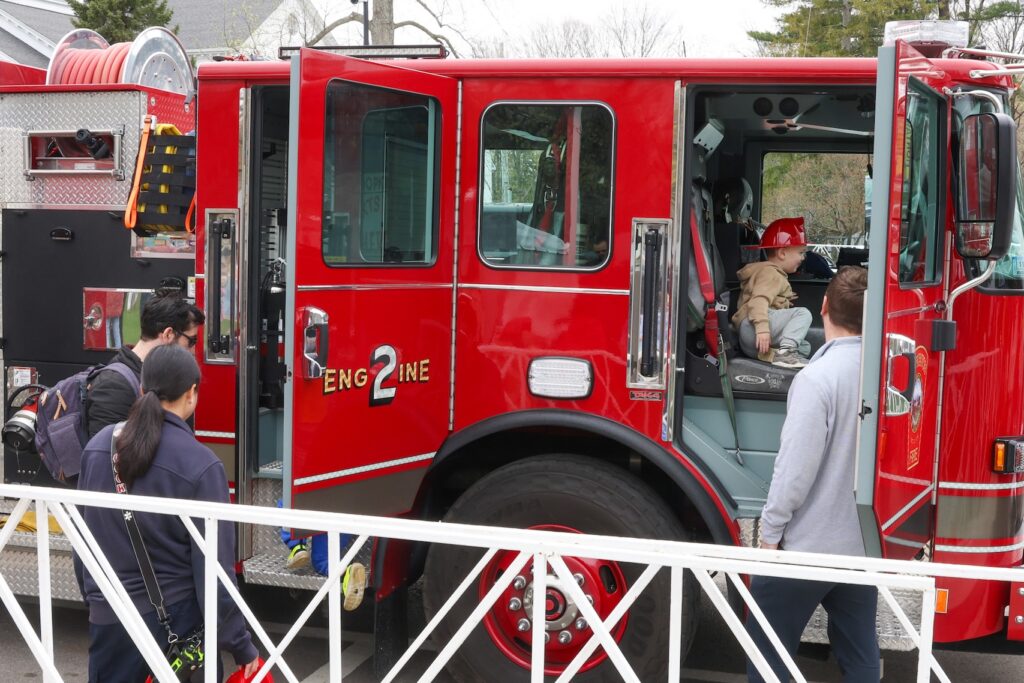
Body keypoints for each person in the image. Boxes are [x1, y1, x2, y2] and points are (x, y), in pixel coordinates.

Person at [76, 345, 259, 682]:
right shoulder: (201, 465)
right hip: (175, 622)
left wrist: (94, 597)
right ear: (191, 393)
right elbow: (213, 570)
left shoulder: (100, 444)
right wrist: (239, 642)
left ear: (142, 388)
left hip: (109, 617)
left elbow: (82, 537)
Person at [745, 266, 877, 683]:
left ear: (823, 306)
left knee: (768, 659)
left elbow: (794, 470)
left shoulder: (816, 378)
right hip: (860, 547)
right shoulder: (890, 373)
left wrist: (770, 532)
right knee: (860, 655)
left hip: (805, 551)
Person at [86, 287, 205, 439]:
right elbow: (106, 456)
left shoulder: (154, 374)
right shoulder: (113, 386)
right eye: (191, 341)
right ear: (168, 334)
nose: (194, 350)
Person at [732, 217, 813, 368]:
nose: (803, 257)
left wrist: (782, 300)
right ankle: (786, 353)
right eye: (801, 252)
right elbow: (758, 301)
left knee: (805, 346)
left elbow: (765, 297)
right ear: (782, 253)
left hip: (751, 341)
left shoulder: (768, 273)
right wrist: (762, 330)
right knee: (803, 313)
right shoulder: (771, 273)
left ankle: (777, 356)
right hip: (753, 328)